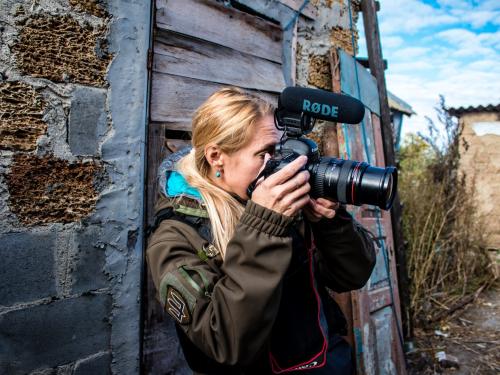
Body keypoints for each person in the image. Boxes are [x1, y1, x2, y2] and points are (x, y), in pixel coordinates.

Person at [147, 87, 376, 374]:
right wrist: (264, 225)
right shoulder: (174, 237)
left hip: (328, 363)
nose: (279, 165)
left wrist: (330, 223)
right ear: (217, 156)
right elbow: (225, 342)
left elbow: (351, 275)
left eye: (278, 151)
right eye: (265, 153)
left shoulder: (284, 207)